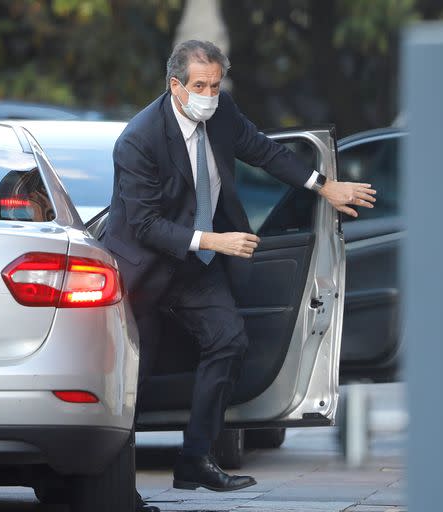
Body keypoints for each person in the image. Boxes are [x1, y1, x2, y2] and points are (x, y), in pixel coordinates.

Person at [104, 40, 376, 512]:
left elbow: (266, 152)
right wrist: (215, 241)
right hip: (142, 272)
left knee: (228, 340)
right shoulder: (139, 138)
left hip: (194, 268)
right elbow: (145, 225)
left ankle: (196, 460)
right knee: (132, 384)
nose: (209, 94)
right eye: (199, 86)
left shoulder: (222, 112)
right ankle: (117, 492)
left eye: (214, 84)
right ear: (175, 86)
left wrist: (325, 185)